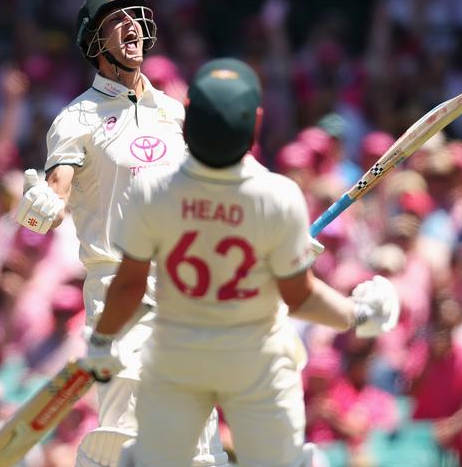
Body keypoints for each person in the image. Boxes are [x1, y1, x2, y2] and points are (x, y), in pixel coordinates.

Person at [84, 58, 400, 467]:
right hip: (255, 366)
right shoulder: (278, 196)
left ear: (186, 118)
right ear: (256, 124)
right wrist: (359, 313)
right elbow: (300, 299)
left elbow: (127, 288)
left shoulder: (149, 190)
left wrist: (102, 341)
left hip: (177, 360)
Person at [14, 0, 227, 467]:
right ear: (94, 41)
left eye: (135, 16)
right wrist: (39, 206)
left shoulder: (173, 113)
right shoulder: (77, 118)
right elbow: (51, 198)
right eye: (116, 20)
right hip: (119, 287)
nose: (131, 26)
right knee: (124, 432)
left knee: (198, 446)